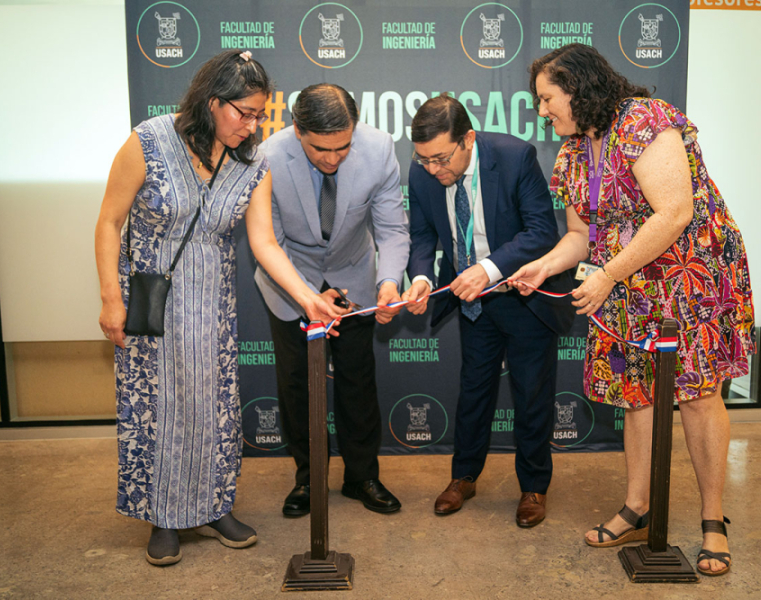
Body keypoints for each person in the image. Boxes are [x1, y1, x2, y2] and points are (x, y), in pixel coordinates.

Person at [511, 44, 756, 575]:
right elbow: (580, 235)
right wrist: (545, 264)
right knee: (636, 394)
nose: (543, 110)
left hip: (690, 276)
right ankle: (637, 506)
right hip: (626, 283)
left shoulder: (645, 120)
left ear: (578, 89)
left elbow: (674, 213)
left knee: (696, 395)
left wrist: (607, 274)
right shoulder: (572, 153)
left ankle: (713, 520)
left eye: (547, 98)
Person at [95, 51, 341, 566]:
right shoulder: (151, 141)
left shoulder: (252, 163)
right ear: (212, 102)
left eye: (259, 115)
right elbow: (108, 222)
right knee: (160, 409)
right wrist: (110, 300)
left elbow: (266, 243)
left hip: (211, 305)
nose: (252, 125)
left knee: (213, 408)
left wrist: (308, 297)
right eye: (244, 113)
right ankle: (164, 517)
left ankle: (212, 506)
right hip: (151, 302)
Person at [401, 94, 573, 528]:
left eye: (441, 159)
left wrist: (487, 269)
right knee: (473, 391)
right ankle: (464, 477)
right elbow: (422, 238)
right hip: (471, 302)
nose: (433, 169)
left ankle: (534, 486)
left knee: (532, 395)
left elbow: (540, 232)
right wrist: (421, 280)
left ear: (468, 139)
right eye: (424, 160)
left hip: (523, 297)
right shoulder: (422, 174)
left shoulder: (515, 157)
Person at [254, 83, 410, 517]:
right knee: (297, 387)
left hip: (355, 280)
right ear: (297, 129)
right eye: (321, 148)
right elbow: (270, 241)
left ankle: (362, 476)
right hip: (289, 282)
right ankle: (309, 478)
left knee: (358, 383)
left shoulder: (378, 149)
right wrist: (308, 294)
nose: (332, 158)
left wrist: (390, 281)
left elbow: (392, 229)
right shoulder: (265, 157)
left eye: (342, 147)